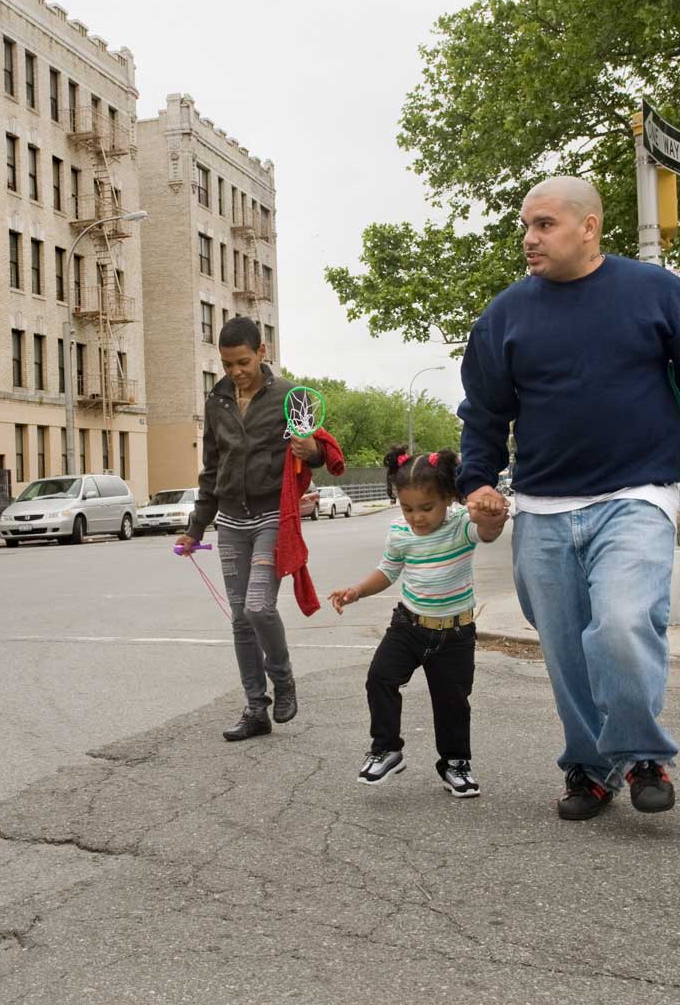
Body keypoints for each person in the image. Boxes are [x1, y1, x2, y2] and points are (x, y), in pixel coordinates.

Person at [458, 175, 680, 821]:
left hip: (635, 495)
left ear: (589, 226)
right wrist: (478, 481)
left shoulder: (653, 292)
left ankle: (642, 755)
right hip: (542, 508)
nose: (528, 238)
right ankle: (589, 767)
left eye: (543, 224)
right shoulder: (505, 315)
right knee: (567, 651)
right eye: (525, 226)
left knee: (623, 624)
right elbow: (483, 413)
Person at [178, 317, 324, 742]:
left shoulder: (290, 397)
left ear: (262, 351)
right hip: (229, 519)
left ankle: (284, 679)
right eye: (227, 364)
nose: (236, 372)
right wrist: (195, 528)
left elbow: (315, 453)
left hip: (271, 517)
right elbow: (210, 469)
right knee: (240, 619)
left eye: (243, 361)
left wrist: (311, 451)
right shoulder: (217, 401)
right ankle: (255, 709)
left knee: (259, 606)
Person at [328, 447, 506, 797]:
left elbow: (488, 534)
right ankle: (386, 748)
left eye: (427, 508)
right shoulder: (399, 531)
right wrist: (357, 591)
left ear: (448, 498)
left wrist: (490, 513)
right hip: (408, 626)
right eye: (407, 508)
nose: (417, 518)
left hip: (454, 633)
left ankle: (455, 763)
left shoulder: (460, 526)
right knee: (380, 677)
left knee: (452, 701)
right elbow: (388, 571)